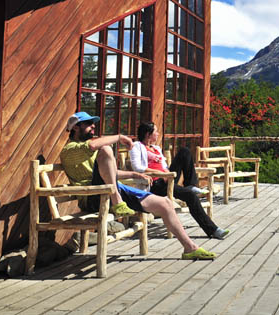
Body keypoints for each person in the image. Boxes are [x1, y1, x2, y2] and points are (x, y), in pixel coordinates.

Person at [59, 111, 216, 260]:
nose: (93, 126)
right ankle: (118, 202)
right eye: (88, 123)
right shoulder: (69, 150)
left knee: (166, 203)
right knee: (106, 148)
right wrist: (120, 137)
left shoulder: (91, 152)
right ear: (75, 127)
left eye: (94, 123)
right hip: (94, 197)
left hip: (113, 189)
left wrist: (134, 175)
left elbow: (109, 173)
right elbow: (94, 147)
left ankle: (190, 248)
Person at [130, 122, 230, 240]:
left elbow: (164, 166)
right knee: (191, 197)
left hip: (168, 179)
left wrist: (167, 172)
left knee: (184, 151)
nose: (157, 134)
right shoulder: (137, 146)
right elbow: (138, 168)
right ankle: (213, 230)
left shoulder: (156, 148)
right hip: (154, 184)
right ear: (148, 134)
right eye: (155, 132)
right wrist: (162, 174)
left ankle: (190, 185)